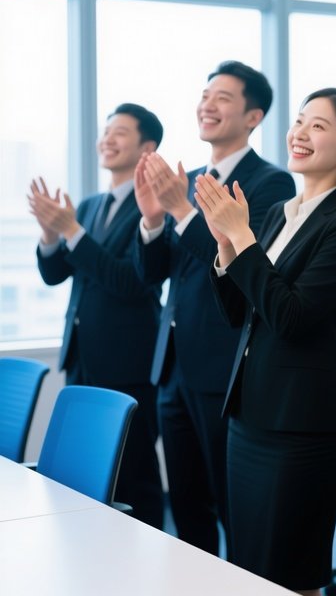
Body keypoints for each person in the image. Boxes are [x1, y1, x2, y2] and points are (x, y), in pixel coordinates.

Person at [194, 87, 336, 595]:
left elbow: (293, 317)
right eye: (299, 122)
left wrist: (245, 240)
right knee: (248, 564)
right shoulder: (278, 212)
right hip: (249, 413)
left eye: (318, 126)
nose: (300, 133)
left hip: (301, 425)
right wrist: (225, 245)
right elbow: (239, 313)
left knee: (291, 573)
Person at [133, 61, 295, 555]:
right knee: (185, 504)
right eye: (205, 95)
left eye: (223, 97)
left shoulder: (270, 184)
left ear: (253, 116)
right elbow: (156, 273)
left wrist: (182, 211)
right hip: (173, 364)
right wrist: (152, 220)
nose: (208, 105)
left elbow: (238, 263)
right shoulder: (190, 179)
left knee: (231, 505)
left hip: (223, 363)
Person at [30, 103, 165, 527]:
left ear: (147, 147)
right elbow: (55, 274)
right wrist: (52, 233)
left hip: (129, 361)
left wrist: (71, 231)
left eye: (120, 132)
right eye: (106, 131)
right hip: (83, 356)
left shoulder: (153, 209)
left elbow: (130, 281)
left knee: (134, 473)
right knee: (84, 472)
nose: (107, 139)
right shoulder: (88, 206)